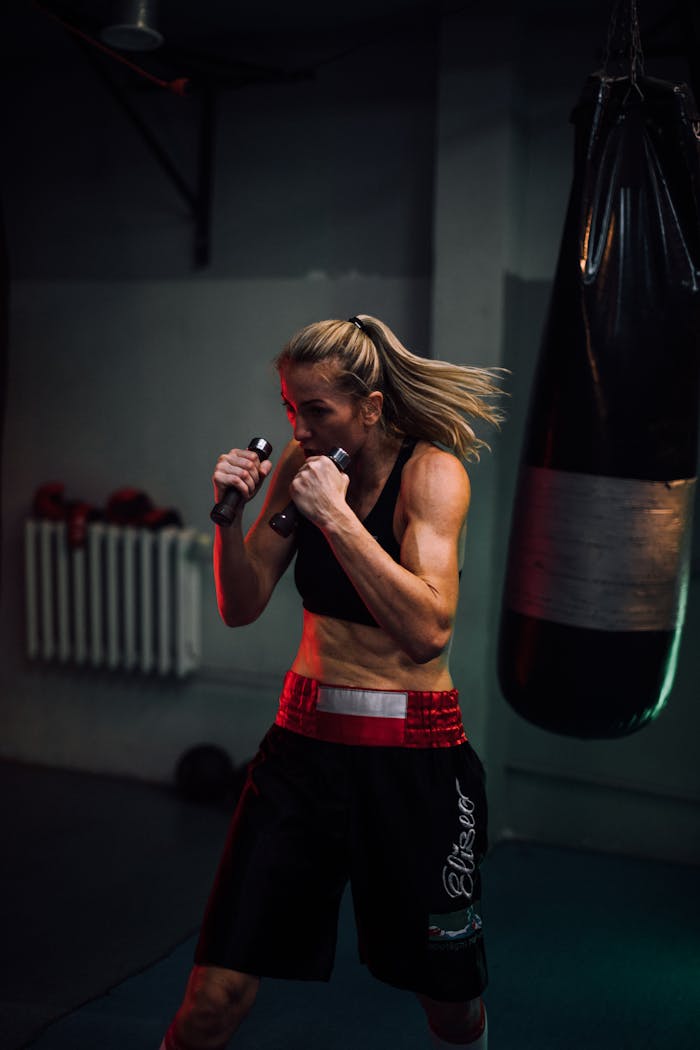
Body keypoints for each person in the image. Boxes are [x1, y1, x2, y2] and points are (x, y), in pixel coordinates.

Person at [160, 315, 504, 1050]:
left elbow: (427, 632)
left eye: (316, 410)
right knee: (213, 997)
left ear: (370, 407)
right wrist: (231, 520)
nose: (300, 427)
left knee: (451, 1007)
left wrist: (337, 518)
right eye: (290, 407)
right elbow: (242, 604)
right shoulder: (302, 464)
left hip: (413, 761)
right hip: (302, 755)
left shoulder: (432, 474)